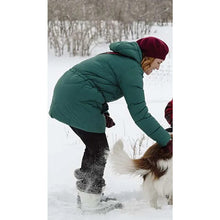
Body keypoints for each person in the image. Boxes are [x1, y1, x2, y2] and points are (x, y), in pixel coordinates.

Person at [49, 36, 173, 213]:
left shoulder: (124, 60)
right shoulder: (131, 68)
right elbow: (140, 114)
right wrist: (166, 140)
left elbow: (95, 82)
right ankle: (90, 201)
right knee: (99, 150)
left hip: (73, 95)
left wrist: (103, 111)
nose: (158, 67)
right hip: (77, 100)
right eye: (158, 62)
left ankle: (89, 195)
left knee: (95, 148)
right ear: (149, 57)